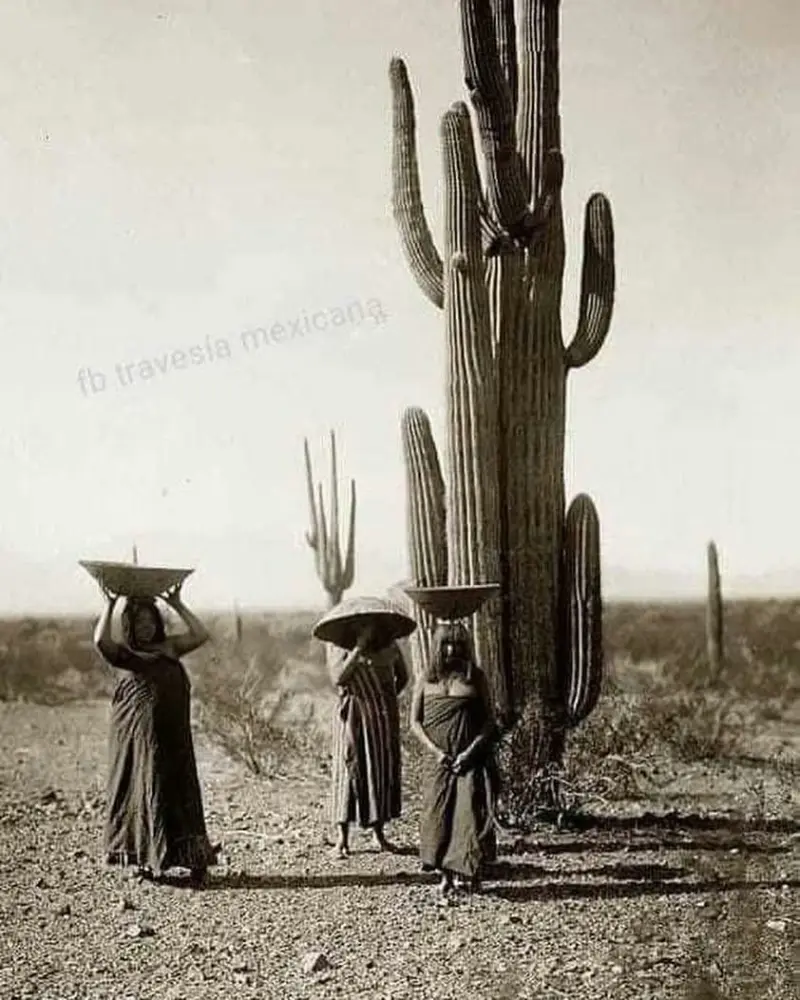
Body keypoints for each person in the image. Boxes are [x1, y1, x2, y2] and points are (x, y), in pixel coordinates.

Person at [93, 582, 218, 887]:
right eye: (139, 622)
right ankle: (145, 858)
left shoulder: (171, 647)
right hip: (140, 739)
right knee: (144, 786)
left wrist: (176, 602)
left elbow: (200, 634)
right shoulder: (124, 654)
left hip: (174, 735)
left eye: (151, 620)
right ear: (129, 626)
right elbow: (99, 641)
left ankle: (193, 860)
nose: (147, 627)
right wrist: (110, 604)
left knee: (179, 788)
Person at [410, 621, 498, 900]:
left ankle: (468, 873)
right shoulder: (426, 678)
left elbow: (488, 721)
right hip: (437, 759)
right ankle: (445, 875)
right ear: (437, 647)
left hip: (469, 758)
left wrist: (469, 752)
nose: (451, 650)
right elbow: (414, 722)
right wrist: (436, 752)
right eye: (446, 644)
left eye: (458, 645)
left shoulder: (476, 678)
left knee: (468, 815)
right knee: (437, 814)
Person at [326, 620, 409, 858]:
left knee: (378, 771)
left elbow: (403, 678)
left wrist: (385, 698)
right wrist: (359, 648)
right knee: (347, 771)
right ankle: (342, 839)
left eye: (370, 626)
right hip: (350, 717)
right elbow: (339, 678)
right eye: (362, 627)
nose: (367, 629)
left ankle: (378, 833)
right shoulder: (339, 646)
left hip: (379, 717)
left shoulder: (389, 646)